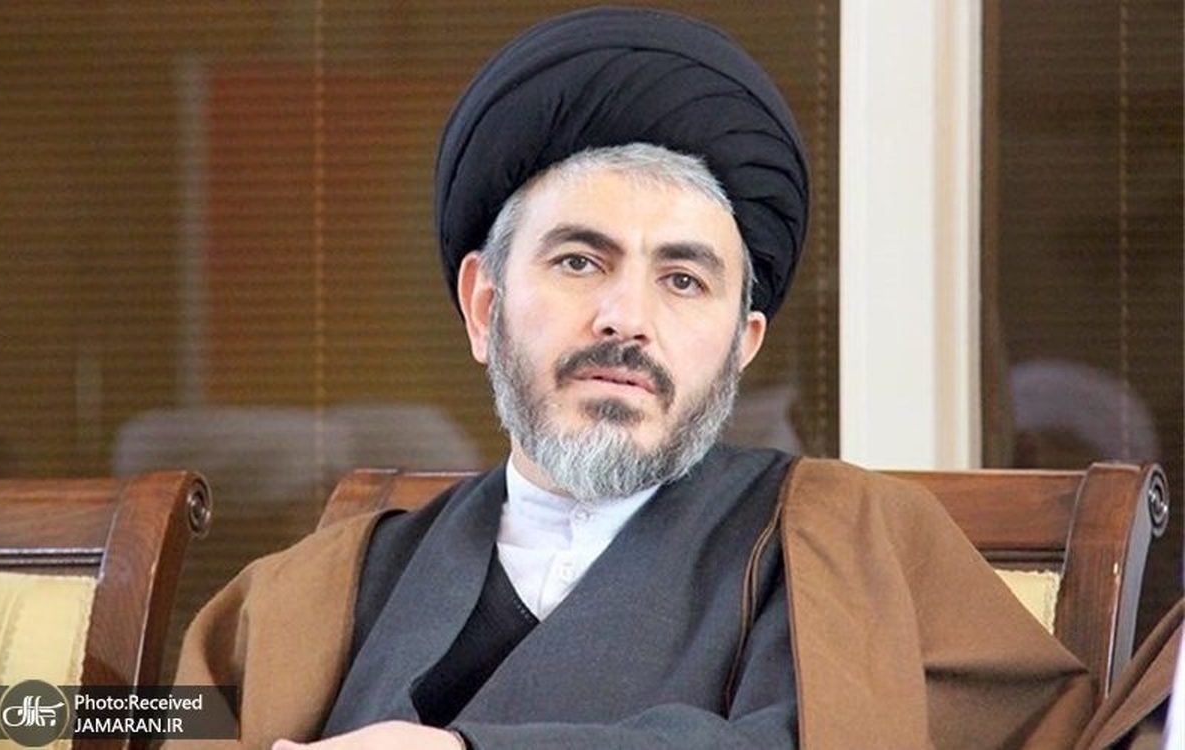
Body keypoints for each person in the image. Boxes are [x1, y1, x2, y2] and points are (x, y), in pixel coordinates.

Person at [170, 8, 1098, 749]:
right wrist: (76, 700)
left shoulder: (846, 539)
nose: (626, 318)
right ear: (485, 307)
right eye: (580, 262)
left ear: (741, 345)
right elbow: (145, 719)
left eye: (684, 280)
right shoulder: (325, 584)